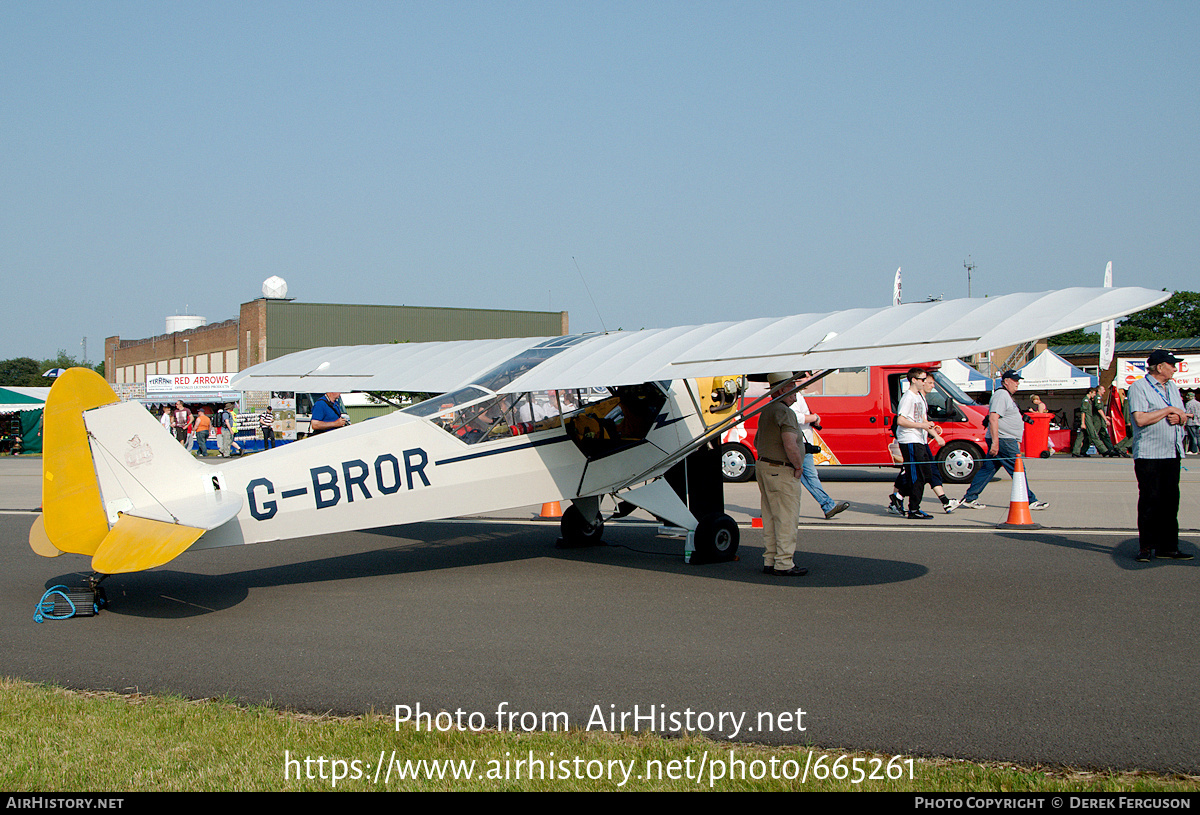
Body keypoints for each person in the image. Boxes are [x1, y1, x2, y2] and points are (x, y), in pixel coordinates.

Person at [1129, 350, 1191, 562]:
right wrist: (1168, 411)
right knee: (1150, 500)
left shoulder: (1172, 387)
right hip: (1150, 454)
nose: (1175, 368)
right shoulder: (1139, 387)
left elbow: (1182, 414)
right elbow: (1140, 419)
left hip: (1171, 452)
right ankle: (1146, 546)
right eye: (1171, 364)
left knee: (1171, 501)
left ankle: (1169, 546)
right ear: (1159, 367)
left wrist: (1179, 417)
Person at [958, 370, 1049, 511]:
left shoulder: (1006, 396)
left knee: (988, 469)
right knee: (1018, 470)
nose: (1018, 383)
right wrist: (995, 442)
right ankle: (1030, 500)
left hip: (1004, 439)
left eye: (1018, 380)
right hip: (1003, 439)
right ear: (1006, 381)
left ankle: (970, 497)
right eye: (1015, 380)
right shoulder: (1001, 395)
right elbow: (993, 418)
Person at [756, 372, 808, 577]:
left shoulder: (767, 410)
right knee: (786, 517)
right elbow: (790, 443)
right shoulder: (786, 413)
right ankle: (784, 562)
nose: (795, 393)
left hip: (764, 466)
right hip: (782, 469)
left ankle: (770, 559)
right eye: (792, 388)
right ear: (781, 390)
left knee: (769, 516)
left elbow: (756, 441)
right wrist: (798, 466)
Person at [888, 367, 958, 518]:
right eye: (922, 379)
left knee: (926, 474)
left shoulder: (920, 397)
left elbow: (923, 420)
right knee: (917, 475)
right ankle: (913, 509)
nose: (925, 382)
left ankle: (899, 496)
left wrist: (935, 435)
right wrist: (922, 426)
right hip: (910, 440)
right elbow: (901, 420)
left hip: (919, 440)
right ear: (914, 380)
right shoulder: (908, 398)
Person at [791, 372, 849, 520]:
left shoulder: (797, 395)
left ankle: (827, 505)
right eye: (806, 376)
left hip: (803, 443)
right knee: (810, 476)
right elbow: (795, 417)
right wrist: (814, 417)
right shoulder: (794, 396)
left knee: (803, 478)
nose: (809, 379)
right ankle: (828, 505)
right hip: (800, 444)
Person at [1072, 386, 1113, 457]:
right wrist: (1083, 423)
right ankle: (1104, 450)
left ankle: (1076, 451)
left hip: (1088, 419)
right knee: (1093, 435)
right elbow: (1083, 412)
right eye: (1094, 393)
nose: (1095, 395)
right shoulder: (1086, 400)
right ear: (1090, 392)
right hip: (1087, 420)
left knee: (1081, 436)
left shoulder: (1089, 400)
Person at [1184, 390, 1200, 455]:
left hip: (1191, 422)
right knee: (1198, 436)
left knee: (1192, 437)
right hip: (1198, 422)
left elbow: (1187, 413)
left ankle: (1193, 450)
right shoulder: (1198, 403)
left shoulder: (1188, 404)